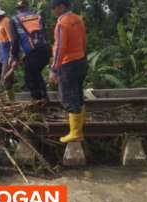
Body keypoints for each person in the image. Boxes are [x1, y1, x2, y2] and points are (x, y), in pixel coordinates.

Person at [49, 0, 87, 143]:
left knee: (69, 98)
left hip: (68, 64)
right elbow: (84, 40)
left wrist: (54, 69)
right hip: (80, 60)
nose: (52, 11)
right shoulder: (78, 19)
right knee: (78, 95)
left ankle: (75, 133)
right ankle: (79, 129)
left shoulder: (62, 23)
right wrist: (84, 58)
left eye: (54, 8)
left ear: (62, 6)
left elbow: (60, 49)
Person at [9, 0, 51, 102]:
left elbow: (14, 40)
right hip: (45, 51)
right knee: (36, 74)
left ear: (18, 10)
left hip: (32, 53)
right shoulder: (38, 16)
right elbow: (45, 34)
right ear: (27, 7)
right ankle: (44, 98)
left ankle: (39, 101)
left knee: (30, 78)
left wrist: (14, 57)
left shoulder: (14, 20)